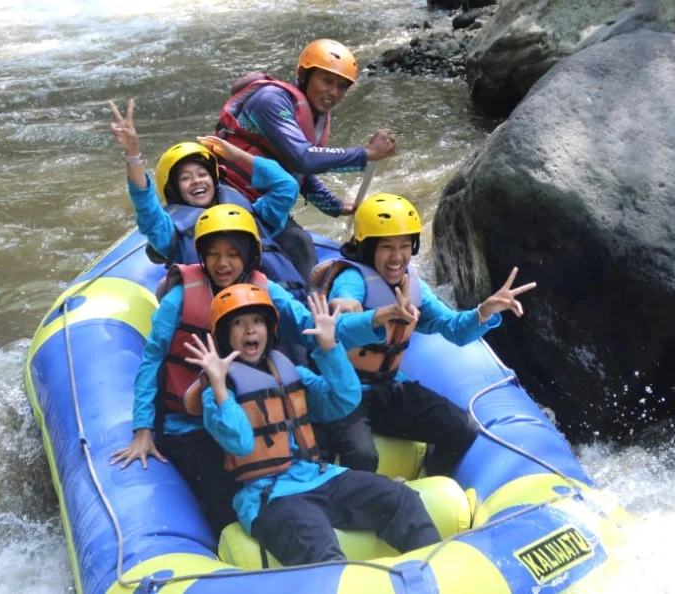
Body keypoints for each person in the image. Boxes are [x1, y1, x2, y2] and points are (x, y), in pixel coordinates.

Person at [109, 203, 407, 539]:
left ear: (249, 255)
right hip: (193, 422)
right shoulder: (181, 298)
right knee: (221, 498)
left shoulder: (263, 289)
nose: (223, 264)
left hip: (256, 410)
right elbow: (153, 360)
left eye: (233, 254)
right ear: (202, 256)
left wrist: (375, 319)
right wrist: (143, 430)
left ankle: (341, 513)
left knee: (319, 450)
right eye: (215, 254)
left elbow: (313, 326)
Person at [184, 283, 440, 566]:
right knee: (322, 555)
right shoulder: (216, 395)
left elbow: (342, 400)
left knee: (402, 499)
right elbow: (241, 443)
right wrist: (219, 387)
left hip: (320, 476)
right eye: (239, 323)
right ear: (224, 335)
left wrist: (330, 348)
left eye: (258, 321)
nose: (250, 329)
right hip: (271, 499)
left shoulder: (290, 372)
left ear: (269, 329)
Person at [310, 193, 537, 476]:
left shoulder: (413, 286)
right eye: (387, 247)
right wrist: (370, 313)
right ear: (367, 248)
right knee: (363, 458)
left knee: (461, 428)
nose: (397, 257)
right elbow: (339, 326)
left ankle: (430, 483)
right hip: (344, 392)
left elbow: (453, 329)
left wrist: (484, 312)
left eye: (405, 246)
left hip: (388, 386)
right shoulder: (351, 280)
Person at [216, 38, 397, 278]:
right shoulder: (271, 100)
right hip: (230, 194)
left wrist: (334, 206)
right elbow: (303, 159)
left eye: (342, 86)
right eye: (327, 81)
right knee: (247, 249)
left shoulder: (315, 116)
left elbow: (298, 173)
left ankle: (313, 309)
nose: (333, 92)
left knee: (300, 246)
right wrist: (366, 154)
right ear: (303, 75)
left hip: (269, 205)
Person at [108, 99, 309, 302]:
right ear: (174, 190)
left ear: (213, 179)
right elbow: (146, 207)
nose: (196, 181)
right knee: (165, 289)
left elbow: (287, 187)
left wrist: (238, 155)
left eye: (202, 174)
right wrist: (132, 155)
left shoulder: (253, 215)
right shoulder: (171, 234)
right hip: (221, 319)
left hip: (275, 305)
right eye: (185, 178)